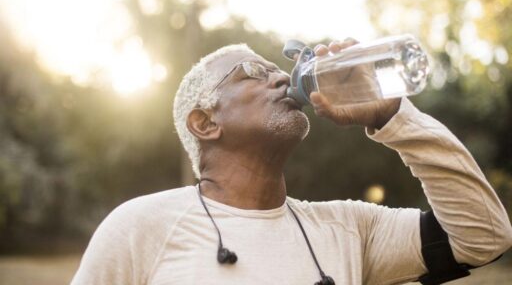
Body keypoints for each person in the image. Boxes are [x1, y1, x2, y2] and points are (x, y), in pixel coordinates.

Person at [71, 39, 512, 285]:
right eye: (252, 73)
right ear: (205, 122)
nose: (282, 77)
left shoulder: (350, 230)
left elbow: (483, 236)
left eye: (275, 69)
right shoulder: (141, 226)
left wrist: (392, 116)